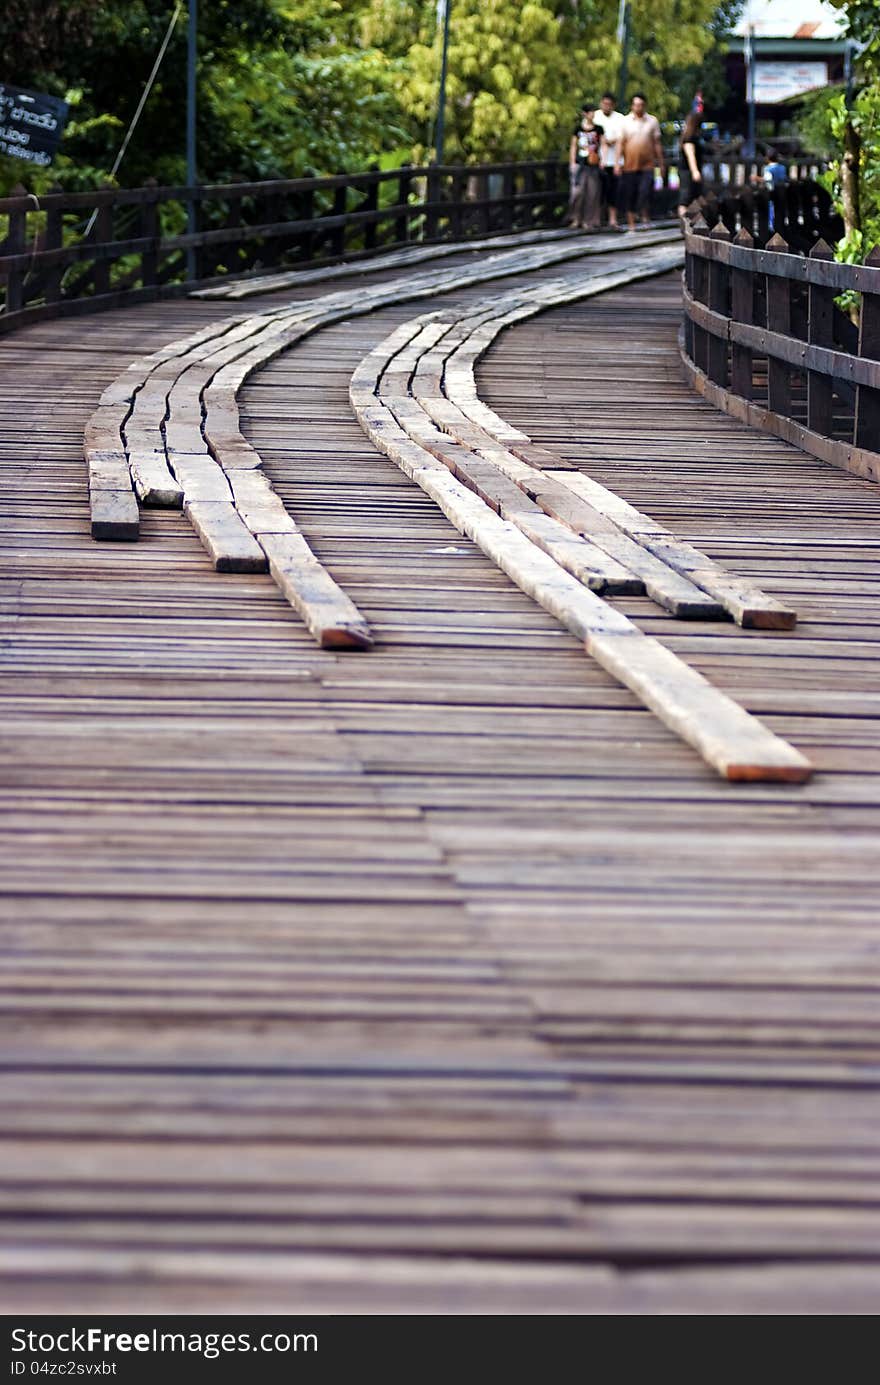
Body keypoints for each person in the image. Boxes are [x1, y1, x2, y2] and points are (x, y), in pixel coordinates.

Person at [615, 93, 665, 231]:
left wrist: (661, 163)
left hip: (647, 164)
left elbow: (657, 143)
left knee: (645, 191)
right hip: (629, 164)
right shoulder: (625, 121)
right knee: (630, 193)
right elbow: (620, 143)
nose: (638, 107)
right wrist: (617, 162)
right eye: (636, 104)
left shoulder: (652, 121)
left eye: (641, 105)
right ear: (632, 106)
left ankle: (645, 218)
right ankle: (631, 224)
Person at [567, 102, 603, 231]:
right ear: (585, 114)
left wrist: (602, 160)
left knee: (592, 193)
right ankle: (576, 218)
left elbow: (602, 145)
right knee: (577, 192)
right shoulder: (578, 129)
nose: (592, 114)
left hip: (593, 164)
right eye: (590, 112)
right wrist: (572, 162)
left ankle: (588, 220)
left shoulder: (599, 129)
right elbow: (573, 146)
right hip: (580, 163)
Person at [593, 91, 625, 229]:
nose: (606, 106)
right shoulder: (595, 116)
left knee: (614, 191)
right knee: (598, 190)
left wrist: (612, 140)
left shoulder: (620, 118)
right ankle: (597, 218)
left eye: (609, 104)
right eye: (604, 104)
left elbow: (622, 137)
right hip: (598, 159)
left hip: (616, 160)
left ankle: (613, 219)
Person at [676, 108, 704, 216]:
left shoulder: (695, 138)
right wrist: (695, 171)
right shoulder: (689, 138)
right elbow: (690, 155)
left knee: (696, 196)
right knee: (685, 197)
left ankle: (693, 218)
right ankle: (684, 221)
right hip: (687, 171)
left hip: (690, 171)